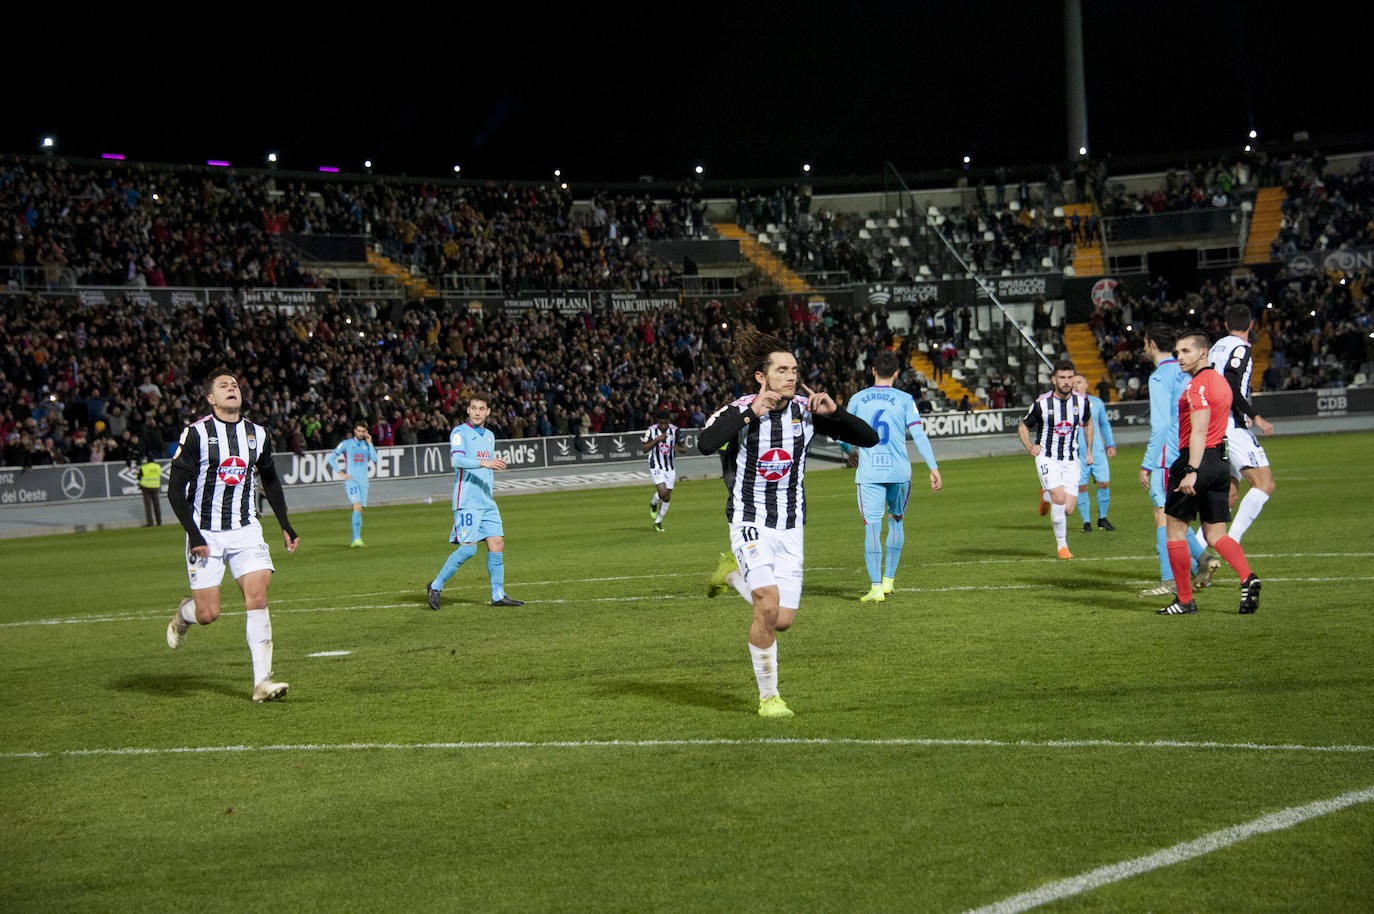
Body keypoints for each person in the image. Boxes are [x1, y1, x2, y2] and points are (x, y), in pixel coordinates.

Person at [698, 328, 878, 719]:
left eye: (794, 370)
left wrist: (838, 413)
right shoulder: (740, 409)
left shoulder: (805, 410)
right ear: (762, 377)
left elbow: (870, 438)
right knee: (765, 602)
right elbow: (706, 443)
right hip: (750, 520)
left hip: (792, 524)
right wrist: (751, 413)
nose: (791, 377)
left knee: (782, 620)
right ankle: (769, 698)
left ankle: (730, 576)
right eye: (781, 370)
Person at [164, 367, 300, 703]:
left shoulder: (257, 434)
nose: (231, 388)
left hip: (246, 529)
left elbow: (269, 479)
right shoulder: (196, 434)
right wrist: (194, 534)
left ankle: (262, 683)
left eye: (235, 385)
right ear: (211, 399)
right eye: (223, 386)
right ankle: (185, 614)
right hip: (206, 531)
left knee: (258, 596)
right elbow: (174, 491)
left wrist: (285, 523)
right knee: (208, 614)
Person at [1157, 330, 1261, 615]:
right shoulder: (1222, 384)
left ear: (1203, 353)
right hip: (1219, 462)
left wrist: (1190, 470)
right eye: (1177, 352)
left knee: (1175, 533)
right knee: (1216, 534)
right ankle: (1247, 577)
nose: (1179, 357)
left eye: (1186, 351)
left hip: (1196, 461)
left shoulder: (1196, 387)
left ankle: (1185, 600)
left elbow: (1199, 430)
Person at [838, 351, 942, 602]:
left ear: (873, 370)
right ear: (896, 373)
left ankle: (875, 588)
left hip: (870, 472)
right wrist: (933, 467)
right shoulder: (905, 399)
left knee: (872, 527)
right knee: (896, 520)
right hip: (899, 472)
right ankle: (889, 581)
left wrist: (850, 452)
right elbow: (918, 435)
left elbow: (841, 435)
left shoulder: (858, 399)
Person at [1137, 324, 1217, 598]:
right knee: (1176, 517)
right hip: (1192, 453)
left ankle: (1173, 576)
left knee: (1163, 515)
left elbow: (1160, 425)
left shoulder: (1160, 376)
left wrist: (1147, 463)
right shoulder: (1189, 372)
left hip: (1167, 457)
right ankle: (1199, 563)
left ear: (1151, 344)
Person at [426, 392, 524, 610]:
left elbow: (486, 465)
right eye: (474, 408)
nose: (477, 412)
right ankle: (435, 585)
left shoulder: (489, 436)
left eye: (482, 408)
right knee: (468, 549)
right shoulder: (459, 433)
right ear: (468, 410)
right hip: (467, 500)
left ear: (488, 412)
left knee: (497, 544)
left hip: (487, 501)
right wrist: (485, 463)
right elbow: (457, 460)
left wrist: (489, 467)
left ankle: (498, 595)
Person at [1208, 304, 1276, 544]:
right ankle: (1232, 542)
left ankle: (1199, 558)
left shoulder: (1215, 348)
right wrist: (1255, 416)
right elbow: (1230, 385)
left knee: (1229, 495)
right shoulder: (1240, 348)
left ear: (1226, 325)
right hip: (1231, 426)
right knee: (1264, 483)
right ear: (1251, 325)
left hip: (1212, 426)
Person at [1018, 359, 1093, 559]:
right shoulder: (1042, 403)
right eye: (1062, 378)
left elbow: (1088, 423)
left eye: (1070, 378)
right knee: (1059, 499)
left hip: (1071, 459)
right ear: (1054, 379)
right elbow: (1023, 427)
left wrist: (1089, 452)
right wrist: (1029, 446)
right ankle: (1062, 547)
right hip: (1047, 457)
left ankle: (1045, 495)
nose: (1066, 382)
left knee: (1067, 509)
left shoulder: (1082, 401)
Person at [1071, 373, 1116, 532]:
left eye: (1079, 382)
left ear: (1086, 385)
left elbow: (1104, 425)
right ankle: (1086, 522)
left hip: (1097, 452)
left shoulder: (1096, 403)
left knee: (1104, 483)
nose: (1075, 385)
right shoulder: (1067, 405)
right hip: (1077, 455)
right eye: (1073, 383)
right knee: (1082, 487)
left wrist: (1110, 444)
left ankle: (1102, 518)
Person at [332, 423, 378, 547]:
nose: (360, 433)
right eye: (358, 430)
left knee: (360, 509)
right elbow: (331, 458)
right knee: (357, 506)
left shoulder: (366, 445)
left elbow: (374, 459)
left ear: (366, 432)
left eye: (363, 431)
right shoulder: (346, 444)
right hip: (351, 481)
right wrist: (341, 473)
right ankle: (357, 539)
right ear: (354, 431)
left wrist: (370, 442)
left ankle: (354, 540)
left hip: (363, 482)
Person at [641, 409, 686, 533]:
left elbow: (684, 449)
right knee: (662, 492)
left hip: (670, 466)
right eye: (661, 423)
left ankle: (658, 522)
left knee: (667, 496)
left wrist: (679, 449)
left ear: (669, 421)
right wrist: (657, 440)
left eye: (666, 423)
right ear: (657, 421)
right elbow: (644, 449)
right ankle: (653, 503)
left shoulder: (675, 430)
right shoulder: (651, 430)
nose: (664, 426)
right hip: (656, 464)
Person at [138, 454, 163, 526]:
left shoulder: (144, 467)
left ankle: (150, 522)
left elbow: (139, 477)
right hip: (156, 486)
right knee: (157, 504)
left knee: (148, 505)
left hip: (146, 487)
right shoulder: (157, 466)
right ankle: (159, 521)